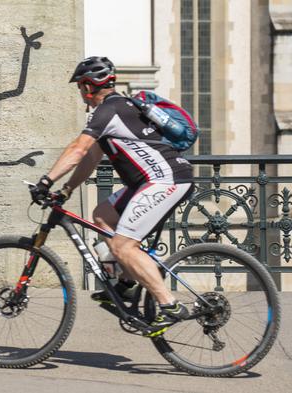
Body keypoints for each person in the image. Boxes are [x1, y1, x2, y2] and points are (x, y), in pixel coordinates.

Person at [29, 56, 195, 337]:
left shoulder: (108, 110)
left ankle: (169, 305)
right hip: (152, 181)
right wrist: (67, 189)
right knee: (102, 216)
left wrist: (45, 180)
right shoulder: (118, 108)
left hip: (165, 180)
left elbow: (78, 149)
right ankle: (126, 285)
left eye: (80, 88)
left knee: (123, 246)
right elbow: (92, 156)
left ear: (87, 86)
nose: (81, 95)